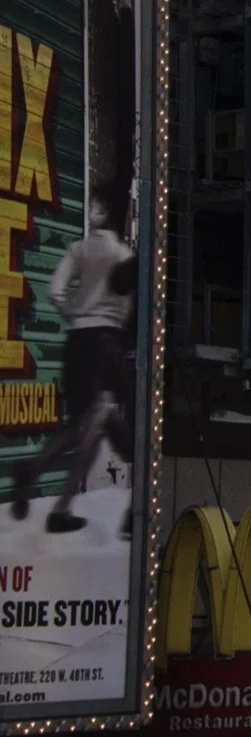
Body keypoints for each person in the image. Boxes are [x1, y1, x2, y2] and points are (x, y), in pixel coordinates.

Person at [12, 194, 136, 535]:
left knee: (83, 421)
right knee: (96, 424)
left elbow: (54, 291)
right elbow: (126, 313)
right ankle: (59, 504)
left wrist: (75, 317)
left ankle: (36, 475)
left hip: (77, 343)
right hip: (104, 346)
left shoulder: (78, 250)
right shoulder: (124, 257)